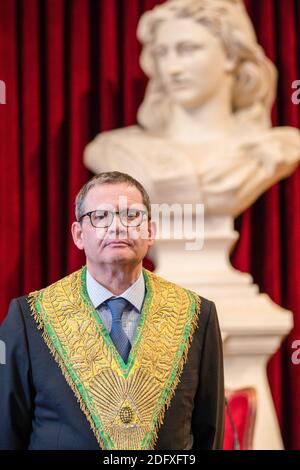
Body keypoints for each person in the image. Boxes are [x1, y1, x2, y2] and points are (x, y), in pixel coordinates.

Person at [0, 171, 224, 450]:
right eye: (101, 216)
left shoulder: (197, 316)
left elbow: (209, 434)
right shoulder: (29, 318)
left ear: (150, 232)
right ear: (78, 235)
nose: (117, 227)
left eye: (132, 215)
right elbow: (7, 432)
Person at [84, 0, 300, 217]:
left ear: (231, 55)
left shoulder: (277, 148)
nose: (172, 68)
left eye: (188, 49)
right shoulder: (115, 149)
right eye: (161, 53)